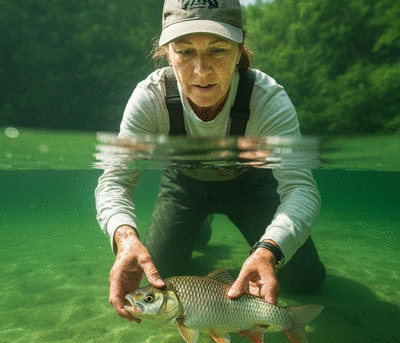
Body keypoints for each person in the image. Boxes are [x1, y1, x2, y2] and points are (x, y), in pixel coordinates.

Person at [95, 0, 326, 322]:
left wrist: (270, 251)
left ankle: (232, 239)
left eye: (218, 50)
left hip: (252, 188)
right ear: (166, 51)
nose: (201, 72)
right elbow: (115, 180)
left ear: (239, 48)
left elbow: (301, 188)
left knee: (306, 280)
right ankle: (196, 227)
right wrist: (124, 238)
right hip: (183, 189)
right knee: (158, 277)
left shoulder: (268, 99)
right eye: (185, 51)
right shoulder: (149, 98)